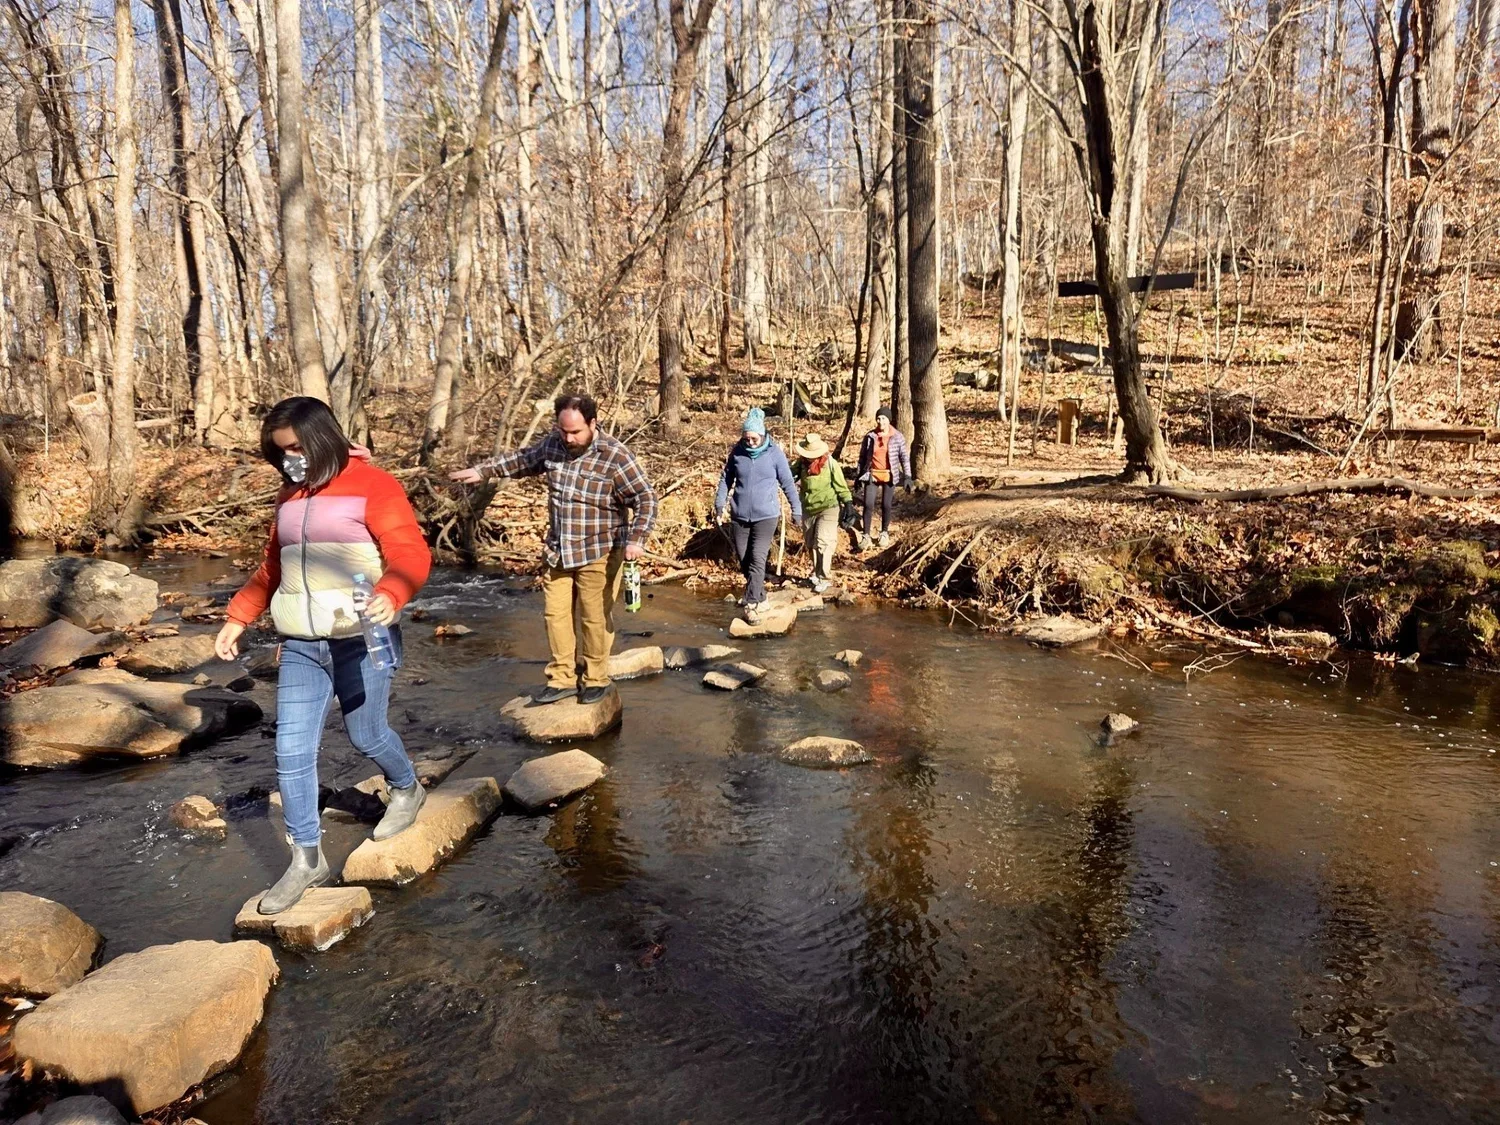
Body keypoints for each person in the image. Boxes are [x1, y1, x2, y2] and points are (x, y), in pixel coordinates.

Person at [215, 397, 432, 915]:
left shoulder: (374, 485)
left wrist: (391, 593)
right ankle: (306, 859)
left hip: (362, 638)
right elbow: (273, 568)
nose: (289, 460)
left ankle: (407, 788)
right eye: (280, 453)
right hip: (301, 645)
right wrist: (238, 616)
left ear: (321, 438)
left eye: (295, 448)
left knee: (366, 735)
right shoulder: (289, 497)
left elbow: (409, 552)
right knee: (290, 751)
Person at [450, 393, 656, 705]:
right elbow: (523, 460)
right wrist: (485, 470)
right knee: (555, 615)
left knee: (594, 618)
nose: (569, 438)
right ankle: (562, 679)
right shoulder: (553, 445)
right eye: (563, 431)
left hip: (600, 549)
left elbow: (645, 498)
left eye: (576, 432)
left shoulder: (615, 456)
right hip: (559, 549)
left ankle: (596, 679)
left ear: (593, 423)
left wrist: (636, 539)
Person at [713, 407, 802, 624]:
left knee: (757, 558)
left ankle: (751, 603)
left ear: (762, 435)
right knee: (744, 559)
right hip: (740, 515)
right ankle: (761, 596)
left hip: (766, 516)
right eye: (747, 439)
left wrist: (796, 509)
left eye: (754, 439)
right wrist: (719, 504)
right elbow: (726, 479)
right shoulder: (737, 452)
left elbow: (788, 483)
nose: (750, 443)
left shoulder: (774, 454)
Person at [791, 431, 851, 594]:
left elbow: (841, 486)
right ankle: (817, 573)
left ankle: (824, 577)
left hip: (828, 507)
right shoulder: (801, 463)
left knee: (824, 541)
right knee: (811, 543)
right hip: (808, 508)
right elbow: (789, 476)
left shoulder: (830, 463)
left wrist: (848, 504)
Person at [855, 406, 911, 549]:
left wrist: (908, 476)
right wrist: (858, 476)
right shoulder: (870, 436)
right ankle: (866, 535)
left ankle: (884, 532)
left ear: (889, 420)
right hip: (872, 474)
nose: (881, 421)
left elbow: (904, 458)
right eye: (878, 418)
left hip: (889, 475)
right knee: (868, 504)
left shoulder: (897, 437)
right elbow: (862, 457)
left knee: (886, 505)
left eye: (884, 418)